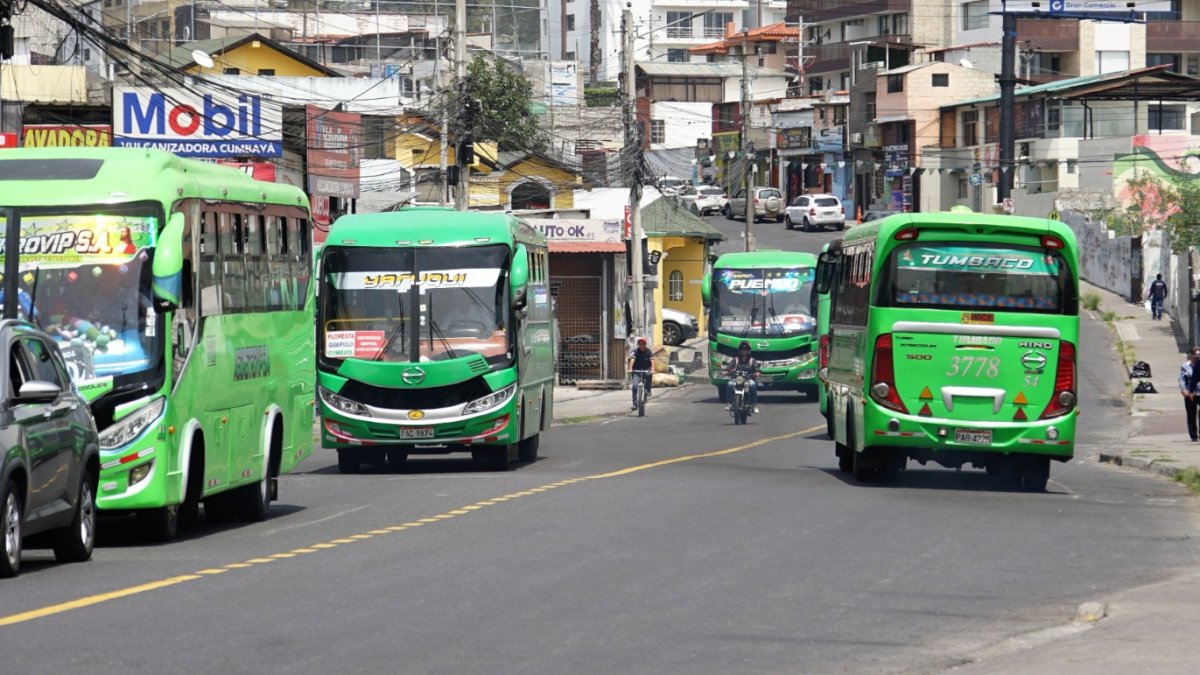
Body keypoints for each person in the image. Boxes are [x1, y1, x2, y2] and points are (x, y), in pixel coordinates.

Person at [724, 340, 761, 414]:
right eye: (742, 349)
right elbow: (729, 366)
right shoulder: (736, 359)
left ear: (748, 350)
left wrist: (757, 372)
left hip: (748, 380)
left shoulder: (752, 360)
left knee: (753, 385)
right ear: (740, 350)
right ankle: (729, 403)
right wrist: (726, 370)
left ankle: (754, 406)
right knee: (729, 384)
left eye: (745, 350)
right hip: (737, 379)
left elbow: (757, 367)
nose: (744, 351)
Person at [1179, 347, 1200, 441]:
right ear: (1191, 356)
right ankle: (1193, 435)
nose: (1197, 358)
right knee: (1191, 414)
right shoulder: (1185, 365)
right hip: (1189, 391)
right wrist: (1184, 389)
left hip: (1199, 391)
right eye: (1195, 357)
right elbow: (1182, 378)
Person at [627, 337, 653, 410]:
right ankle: (635, 404)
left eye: (643, 344)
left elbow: (652, 361)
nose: (641, 345)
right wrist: (630, 368)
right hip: (636, 371)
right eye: (640, 344)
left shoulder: (648, 351)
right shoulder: (636, 351)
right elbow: (632, 359)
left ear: (645, 344)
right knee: (635, 386)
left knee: (649, 375)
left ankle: (648, 390)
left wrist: (653, 369)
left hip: (646, 370)